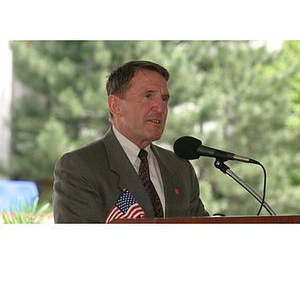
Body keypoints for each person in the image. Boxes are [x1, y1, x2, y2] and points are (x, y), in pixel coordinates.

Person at [53, 60, 209, 223]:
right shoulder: (79, 167)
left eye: (164, 99)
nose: (160, 108)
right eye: (148, 96)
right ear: (115, 105)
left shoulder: (179, 167)